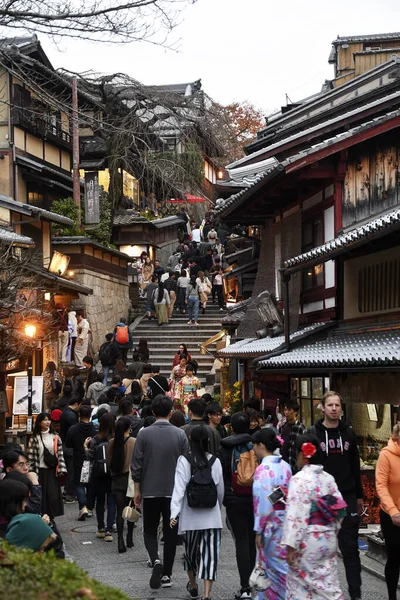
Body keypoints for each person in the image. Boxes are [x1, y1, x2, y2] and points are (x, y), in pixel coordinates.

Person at [308, 391, 363, 600]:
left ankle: (355, 594)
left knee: (350, 549)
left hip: (347, 495)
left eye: (337, 405)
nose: (333, 408)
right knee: (322, 548)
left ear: (341, 408)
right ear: (323, 407)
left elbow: (355, 465)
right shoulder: (314, 432)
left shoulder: (348, 432)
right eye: (330, 405)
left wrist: (359, 496)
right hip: (323, 498)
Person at [131, 395, 189, 590]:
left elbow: (136, 464)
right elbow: (185, 464)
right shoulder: (180, 435)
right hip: (173, 492)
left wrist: (137, 490)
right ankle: (167, 575)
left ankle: (155, 560)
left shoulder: (144, 434)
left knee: (149, 530)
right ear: (171, 411)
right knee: (171, 534)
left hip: (150, 490)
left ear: (153, 412)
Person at [282, 434, 346, 600]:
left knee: (300, 586)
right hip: (328, 537)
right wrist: (332, 530)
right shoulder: (329, 479)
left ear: (302, 455)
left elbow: (295, 515)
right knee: (327, 584)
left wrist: (291, 545)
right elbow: (339, 511)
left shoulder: (299, 480)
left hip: (307, 540)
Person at [170, 424, 224, 600]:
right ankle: (206, 594)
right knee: (211, 555)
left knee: (191, 553)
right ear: (208, 441)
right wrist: (218, 506)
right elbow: (220, 490)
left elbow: (179, 488)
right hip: (212, 517)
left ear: (190, 441)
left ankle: (193, 585)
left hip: (190, 517)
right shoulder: (215, 461)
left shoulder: (184, 460)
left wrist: (174, 513)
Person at [217, 412, 257, 600]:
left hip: (233, 499)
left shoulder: (224, 447)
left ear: (230, 427)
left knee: (241, 541)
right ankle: (252, 580)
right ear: (250, 426)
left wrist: (225, 497)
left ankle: (245, 587)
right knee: (252, 540)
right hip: (254, 498)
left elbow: (221, 474)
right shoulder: (257, 444)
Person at [252, 428, 292, 600]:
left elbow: (264, 503)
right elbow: (282, 493)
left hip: (270, 525)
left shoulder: (263, 470)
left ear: (261, 445)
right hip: (286, 521)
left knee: (273, 568)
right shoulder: (285, 466)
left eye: (254, 445)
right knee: (281, 567)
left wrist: (259, 530)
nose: (253, 449)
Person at [376, 423, 400, 600]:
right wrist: (393, 511)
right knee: (394, 559)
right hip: (391, 515)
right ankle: (392, 596)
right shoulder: (386, 455)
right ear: (397, 436)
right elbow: (381, 485)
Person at [27, 412, 66, 519]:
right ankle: (42, 516)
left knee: (52, 496)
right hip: (40, 471)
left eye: (48, 419)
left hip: (52, 471)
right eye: (44, 420)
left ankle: (51, 517)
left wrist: (61, 468)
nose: (47, 422)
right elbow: (30, 456)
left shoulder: (55, 436)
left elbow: (60, 453)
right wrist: (30, 473)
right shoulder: (34, 438)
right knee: (41, 496)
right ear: (39, 422)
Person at [84, 413, 116, 543]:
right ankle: (109, 529)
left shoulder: (96, 439)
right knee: (111, 502)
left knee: (100, 502)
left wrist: (85, 447)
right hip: (113, 473)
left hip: (99, 474)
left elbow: (90, 457)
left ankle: (101, 528)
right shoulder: (116, 438)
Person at [0, 479, 56, 552]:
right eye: (24, 501)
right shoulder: (7, 527)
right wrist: (38, 527)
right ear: (13, 503)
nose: (26, 504)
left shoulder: (12, 519)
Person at [106, 416, 136, 553]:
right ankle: (129, 537)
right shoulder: (134, 442)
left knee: (120, 511)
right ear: (129, 427)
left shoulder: (111, 443)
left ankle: (120, 539)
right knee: (130, 510)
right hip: (130, 480)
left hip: (116, 480)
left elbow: (108, 463)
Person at [65, 405, 96, 521]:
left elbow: (68, 444)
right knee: (90, 484)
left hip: (78, 458)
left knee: (79, 483)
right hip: (92, 459)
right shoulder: (94, 429)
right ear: (90, 415)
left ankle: (82, 506)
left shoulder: (73, 429)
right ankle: (89, 507)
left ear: (79, 415)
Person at [60, 397, 80, 503]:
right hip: (69, 446)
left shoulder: (65, 412)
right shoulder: (71, 416)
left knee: (69, 469)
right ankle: (70, 494)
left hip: (65, 444)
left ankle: (68, 491)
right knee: (71, 470)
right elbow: (74, 432)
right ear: (76, 404)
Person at [277, 400, 306, 474]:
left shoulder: (300, 427)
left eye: (289, 410)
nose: (286, 412)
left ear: (295, 412)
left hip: (294, 466)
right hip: (282, 465)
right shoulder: (282, 426)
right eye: (285, 410)